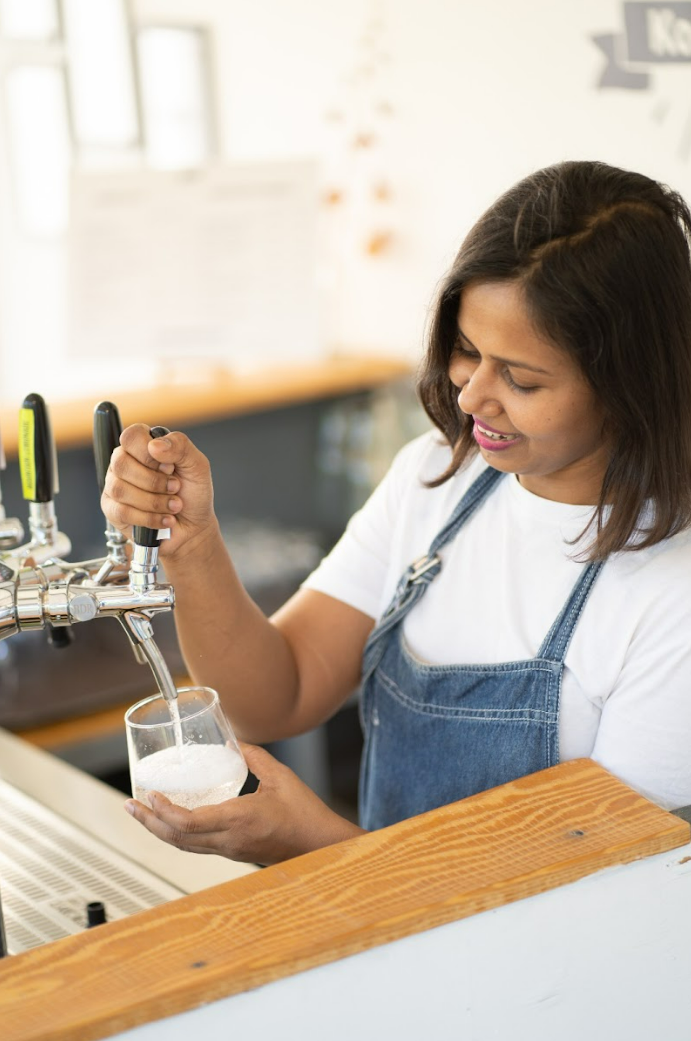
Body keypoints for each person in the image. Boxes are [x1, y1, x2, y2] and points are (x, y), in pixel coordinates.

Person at [103, 160, 691, 866]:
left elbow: (610, 891)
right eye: (465, 351)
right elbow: (276, 695)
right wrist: (191, 544)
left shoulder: (670, 588)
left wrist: (310, 842)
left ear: (629, 382)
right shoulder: (435, 479)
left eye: (522, 378)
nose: (472, 397)